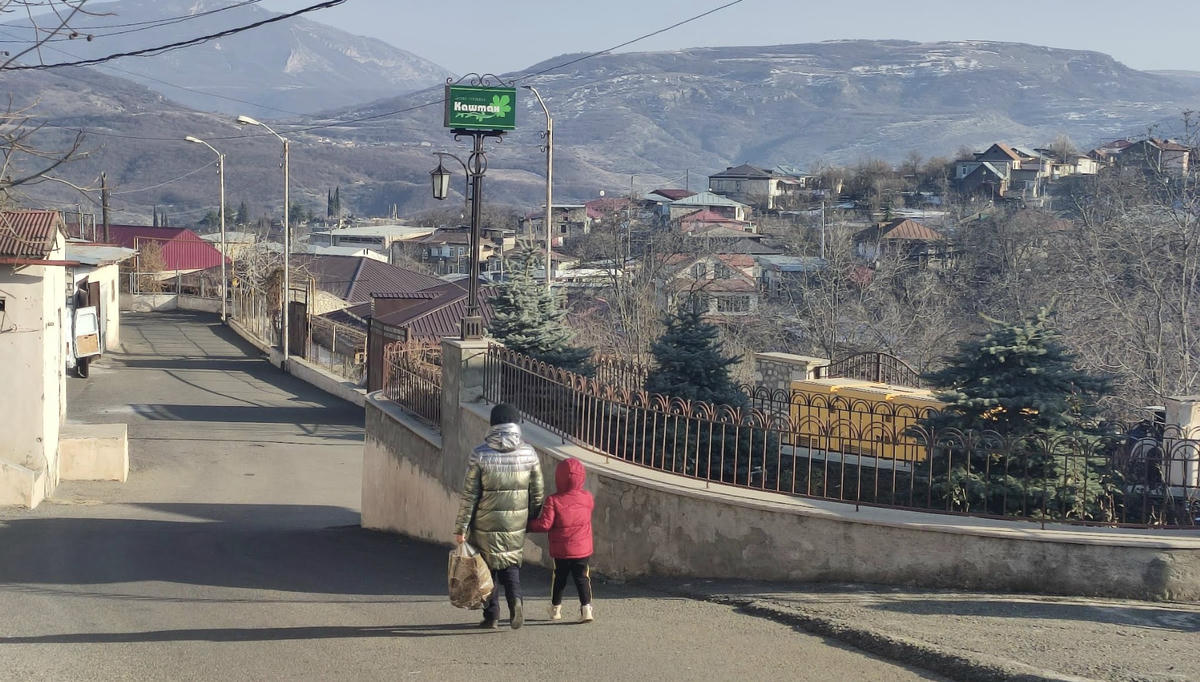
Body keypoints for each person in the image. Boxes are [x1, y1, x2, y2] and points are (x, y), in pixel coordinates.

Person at [454, 403, 544, 629]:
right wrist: (531, 517)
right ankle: (516, 603)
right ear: (516, 425)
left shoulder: (480, 454)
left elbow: (470, 495)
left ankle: (492, 615)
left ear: (492, 424)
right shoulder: (529, 453)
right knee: (510, 566)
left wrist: (461, 527)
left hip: (484, 523)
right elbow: (538, 491)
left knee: (488, 570)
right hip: (516, 523)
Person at [528, 457, 595, 623]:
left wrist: (528, 525)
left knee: (560, 578)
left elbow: (545, 524)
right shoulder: (587, 497)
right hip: (582, 548)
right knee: (582, 578)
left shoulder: (553, 500)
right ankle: (586, 609)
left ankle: (555, 609)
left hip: (562, 549)